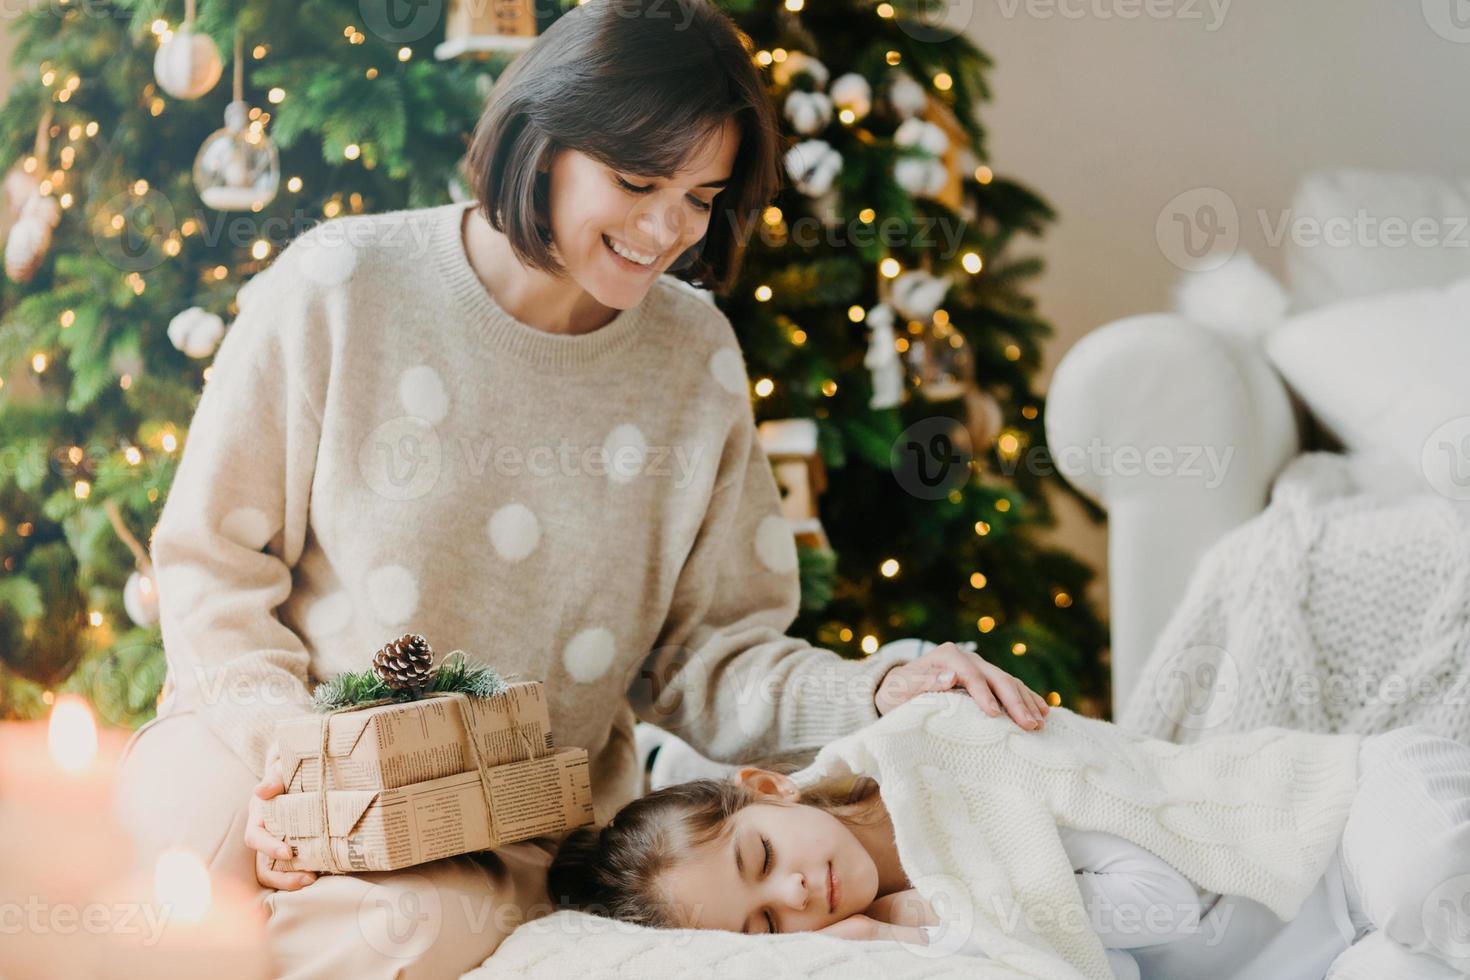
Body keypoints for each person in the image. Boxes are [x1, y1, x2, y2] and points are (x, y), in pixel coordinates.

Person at [113, 0, 1051, 975]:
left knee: (397, 936)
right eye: (638, 180)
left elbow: (706, 654)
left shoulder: (693, 358)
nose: (666, 229)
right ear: (542, 140)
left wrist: (882, 683)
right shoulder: (341, 287)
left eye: (702, 195)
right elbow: (212, 563)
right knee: (203, 852)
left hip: (491, 822)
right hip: (259, 741)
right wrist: (297, 772)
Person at [546, 694, 1470, 980]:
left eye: (761, 858)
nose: (795, 896)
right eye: (762, 928)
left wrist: (947, 910)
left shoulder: (946, 754)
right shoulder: (901, 941)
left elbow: (1171, 902)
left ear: (766, 788)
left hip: (1341, 819)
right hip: (1322, 953)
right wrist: (915, 934)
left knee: (1417, 875)